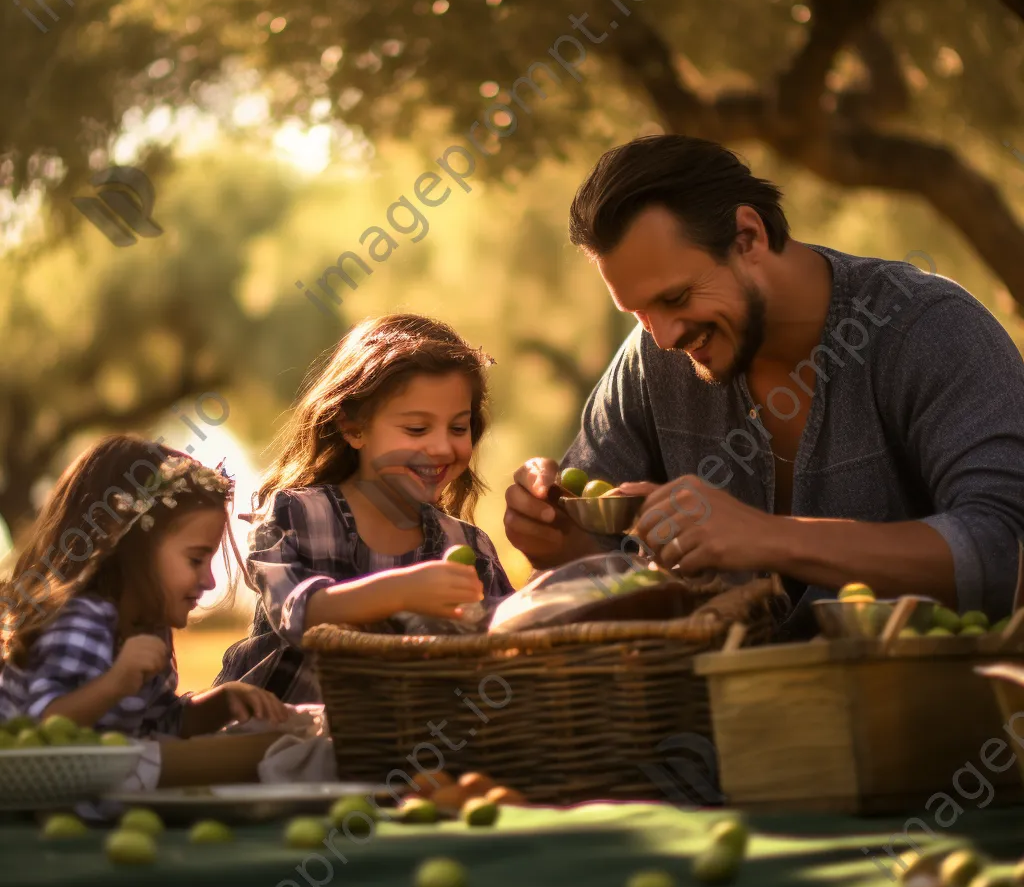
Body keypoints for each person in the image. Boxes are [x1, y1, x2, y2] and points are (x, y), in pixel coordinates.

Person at [503, 135, 1024, 637]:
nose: (662, 336)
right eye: (638, 313)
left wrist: (766, 537)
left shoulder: (927, 330)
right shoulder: (649, 362)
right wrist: (557, 540)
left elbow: (1007, 550)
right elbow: (599, 584)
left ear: (747, 236)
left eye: (677, 296)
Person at [215, 314, 515, 703]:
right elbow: (296, 614)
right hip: (272, 736)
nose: (443, 448)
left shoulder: (470, 548)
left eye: (458, 428)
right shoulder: (295, 516)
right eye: (417, 429)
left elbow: (511, 641)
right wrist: (402, 591)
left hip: (397, 749)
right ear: (354, 428)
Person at [0, 435, 288, 734]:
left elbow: (156, 727)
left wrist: (220, 704)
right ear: (127, 546)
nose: (209, 580)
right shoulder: (80, 622)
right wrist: (117, 682)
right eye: (195, 559)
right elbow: (42, 726)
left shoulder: (147, 627)